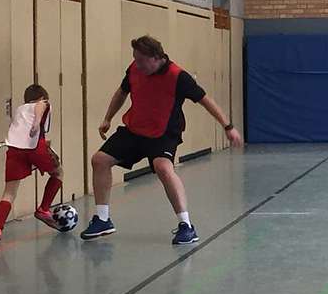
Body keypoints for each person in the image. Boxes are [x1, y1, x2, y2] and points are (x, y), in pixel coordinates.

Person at [80, 35, 243, 244]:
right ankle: (103, 219)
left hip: (163, 132)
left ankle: (187, 226)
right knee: (99, 160)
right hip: (135, 128)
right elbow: (122, 92)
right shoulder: (134, 69)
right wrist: (107, 118)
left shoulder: (178, 77)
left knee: (163, 168)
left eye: (141, 60)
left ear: (156, 57)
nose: (137, 64)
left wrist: (228, 127)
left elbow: (206, 101)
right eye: (135, 59)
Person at [0, 84, 64, 243]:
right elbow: (41, 106)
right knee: (58, 172)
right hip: (35, 147)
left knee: (9, 192)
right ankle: (44, 209)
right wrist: (36, 124)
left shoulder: (19, 109)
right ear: (42, 97)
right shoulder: (42, 103)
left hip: (14, 149)